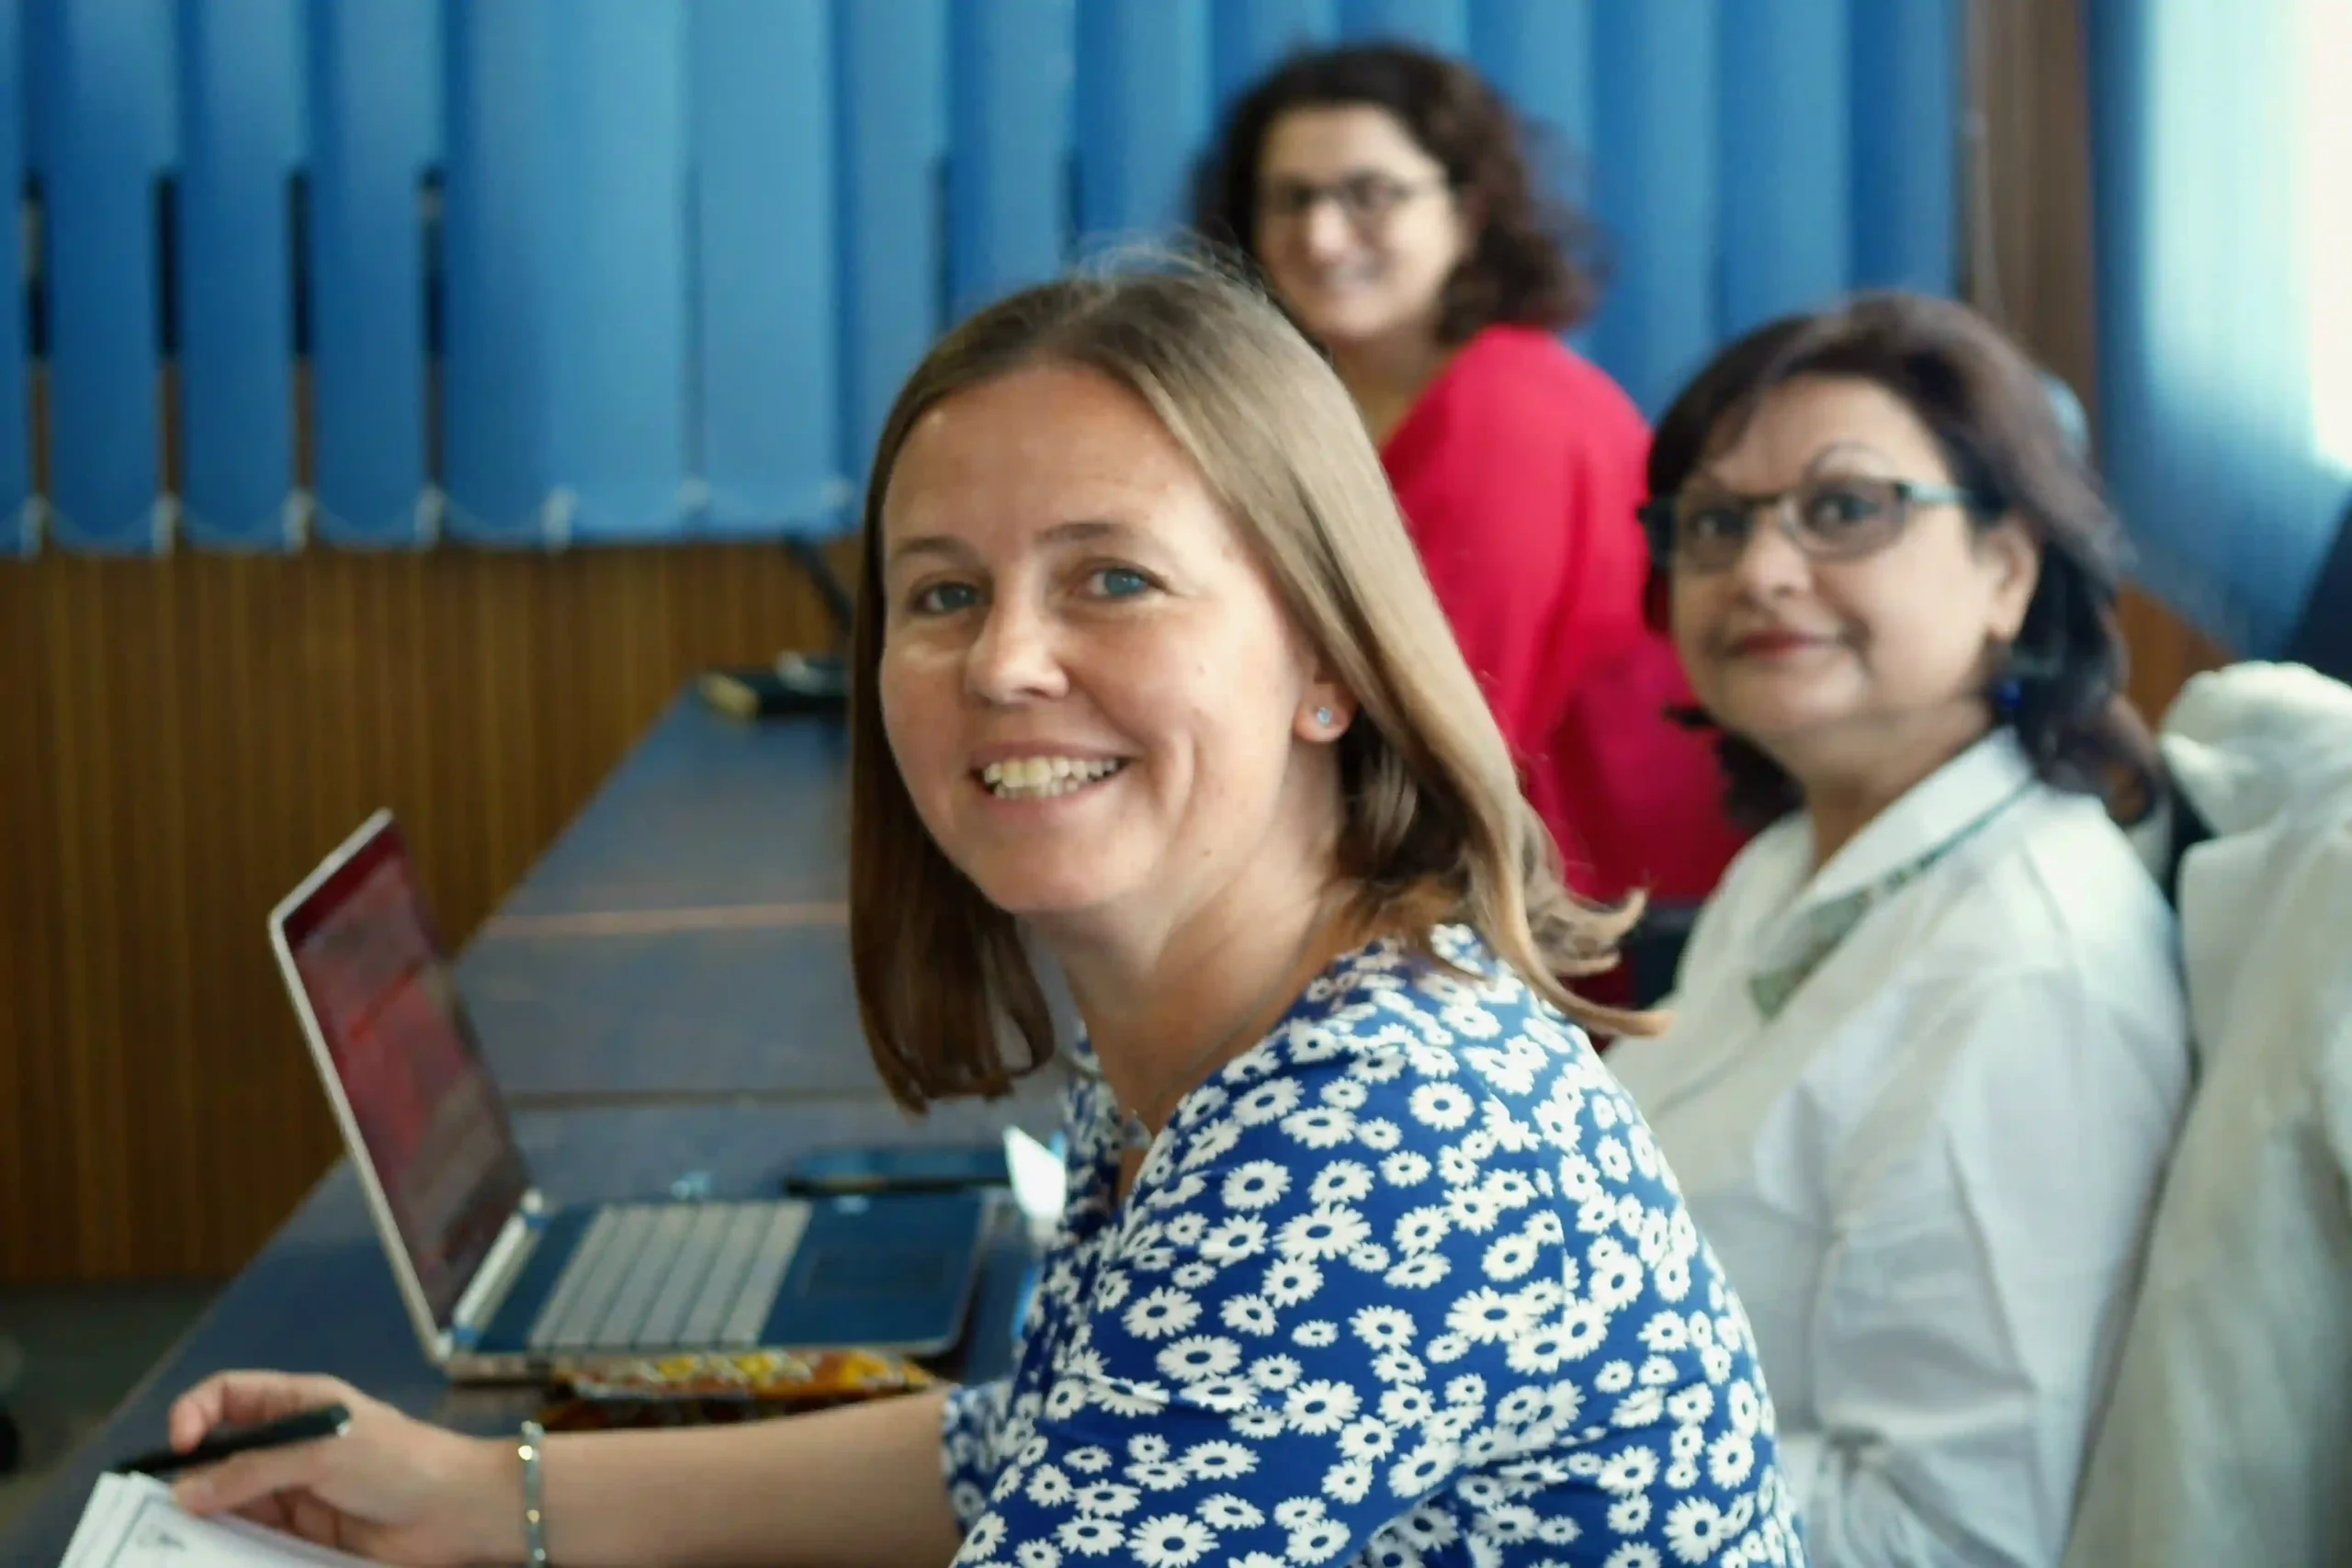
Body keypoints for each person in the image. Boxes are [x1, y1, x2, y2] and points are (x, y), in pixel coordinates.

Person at [157, 260, 1804, 1565]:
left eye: (1114, 577)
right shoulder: (1240, 1014)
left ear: (1329, 662)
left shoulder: (1371, 1136)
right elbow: (1048, 1442)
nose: (1006, 660)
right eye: (943, 592)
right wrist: (485, 1497)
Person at [1603, 293, 2192, 1566]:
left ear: (2006, 568)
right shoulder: (1793, 859)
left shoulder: (2029, 972)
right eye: (1714, 521)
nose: (1760, 568)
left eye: (1847, 508)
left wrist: (1528, 1465)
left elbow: (1951, 1531)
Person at [1193, 43, 1745, 915]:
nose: (1323, 235)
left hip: (1587, 927)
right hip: (1457, 889)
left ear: (1469, 207)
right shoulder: (1320, 416)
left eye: (1370, 194)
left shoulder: (1512, 410)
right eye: (1292, 199)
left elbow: (1441, 738)